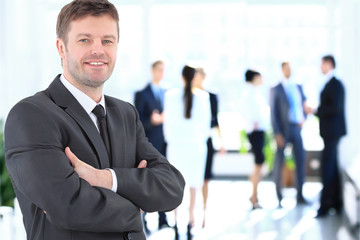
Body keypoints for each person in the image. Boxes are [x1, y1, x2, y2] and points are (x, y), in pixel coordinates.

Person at [4, 1, 185, 240]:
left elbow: (171, 187)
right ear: (61, 48)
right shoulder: (32, 115)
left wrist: (104, 179)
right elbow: (68, 204)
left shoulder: (125, 114)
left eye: (107, 41)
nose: (98, 50)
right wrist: (137, 204)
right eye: (85, 40)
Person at [163, 65, 211, 239]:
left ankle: (176, 222)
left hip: (176, 146)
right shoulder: (203, 97)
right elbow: (206, 126)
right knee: (193, 185)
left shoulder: (170, 96)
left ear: (181, 76)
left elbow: (167, 125)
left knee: (176, 184)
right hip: (196, 146)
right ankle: (191, 222)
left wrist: (171, 140)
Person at [134, 60, 169, 232]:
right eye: (159, 69)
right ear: (152, 71)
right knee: (147, 183)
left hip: (165, 144)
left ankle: (164, 218)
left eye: (164, 70)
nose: (161, 73)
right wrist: (152, 121)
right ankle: (145, 220)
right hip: (148, 145)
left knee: (163, 182)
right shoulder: (142, 94)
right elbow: (138, 122)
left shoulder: (167, 93)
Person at [270, 62, 308, 206]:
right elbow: (273, 113)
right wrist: (277, 133)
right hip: (283, 130)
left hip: (296, 127)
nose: (289, 71)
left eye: (291, 69)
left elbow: (304, 104)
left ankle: (300, 195)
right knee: (279, 162)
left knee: (301, 160)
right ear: (281, 70)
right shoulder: (276, 88)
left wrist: (304, 118)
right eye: (286, 69)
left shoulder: (298, 86)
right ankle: (279, 196)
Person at [192, 67, 225, 228]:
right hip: (190, 141)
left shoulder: (211, 96)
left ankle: (204, 213)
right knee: (190, 179)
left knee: (205, 179)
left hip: (206, 140)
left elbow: (215, 120)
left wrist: (221, 141)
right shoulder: (187, 96)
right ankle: (191, 215)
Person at [315, 55, 346, 217]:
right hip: (330, 133)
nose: (320, 67)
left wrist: (316, 111)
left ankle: (325, 205)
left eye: (321, 64)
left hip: (332, 133)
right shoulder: (330, 84)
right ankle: (334, 202)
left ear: (329, 64)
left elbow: (335, 108)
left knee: (328, 167)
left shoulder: (336, 85)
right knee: (331, 167)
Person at [242, 70, 269, 209]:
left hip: (258, 131)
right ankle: (253, 195)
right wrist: (255, 123)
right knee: (259, 163)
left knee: (259, 164)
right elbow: (250, 115)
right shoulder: (249, 93)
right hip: (255, 132)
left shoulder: (255, 92)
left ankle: (254, 195)